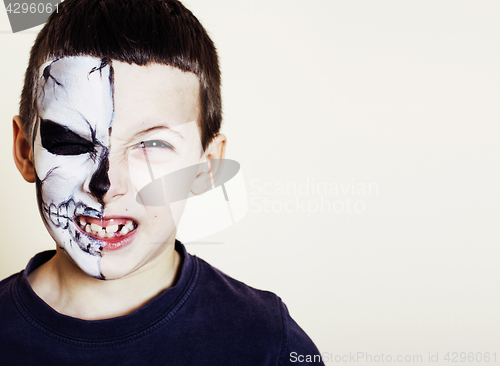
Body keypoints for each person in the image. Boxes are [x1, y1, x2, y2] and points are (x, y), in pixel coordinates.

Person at [0, 0, 324, 364]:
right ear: (26, 151)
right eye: (72, 141)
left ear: (206, 168)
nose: (106, 184)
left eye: (151, 144)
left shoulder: (266, 342)